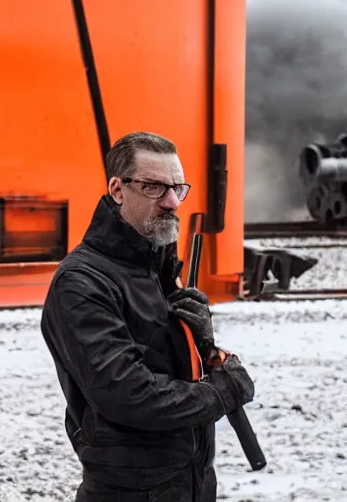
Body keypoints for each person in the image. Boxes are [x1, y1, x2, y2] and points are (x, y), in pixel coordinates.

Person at [40, 131, 255, 502]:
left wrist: (204, 342)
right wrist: (220, 393)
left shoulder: (158, 267)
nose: (172, 201)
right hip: (130, 492)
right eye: (154, 187)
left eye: (177, 188)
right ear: (117, 189)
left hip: (191, 482)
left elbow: (170, 363)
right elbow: (127, 393)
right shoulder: (81, 282)